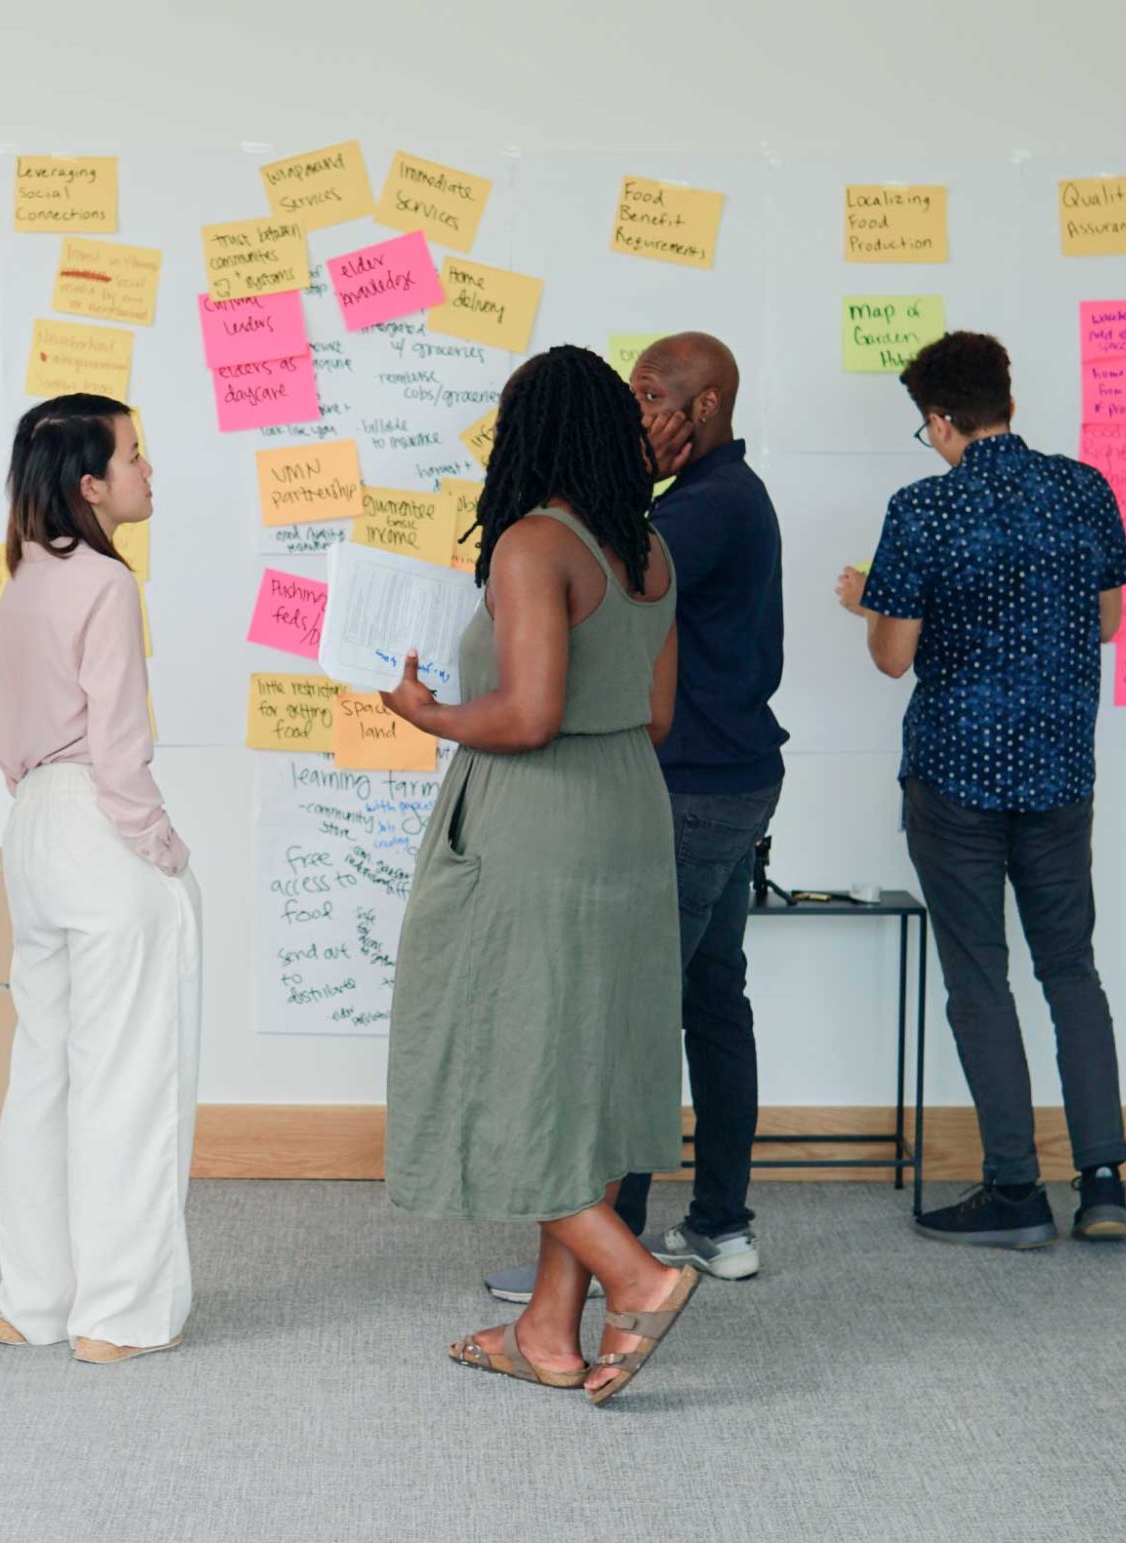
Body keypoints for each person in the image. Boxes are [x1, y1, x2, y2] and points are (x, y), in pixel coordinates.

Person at [382, 343, 701, 1405]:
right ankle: (547, 1332)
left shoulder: (531, 545)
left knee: (502, 1066)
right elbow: (652, 716)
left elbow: (525, 717)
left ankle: (639, 1278)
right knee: (585, 1082)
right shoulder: (646, 550)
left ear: (530, 436)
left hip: (540, 826)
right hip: (625, 815)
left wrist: (430, 716)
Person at [485, 333, 788, 1302]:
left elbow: (605, 579)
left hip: (694, 789)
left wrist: (594, 483)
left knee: (631, 1019)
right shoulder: (714, 501)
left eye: (650, 395)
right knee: (706, 999)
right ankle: (720, 1226)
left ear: (700, 411)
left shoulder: (692, 516)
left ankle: (604, 1254)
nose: (633, 408)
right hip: (729, 781)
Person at [835, 330, 1126, 1249]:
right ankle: (1104, 1181)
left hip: (957, 777)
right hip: (1059, 772)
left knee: (979, 977)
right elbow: (1108, 624)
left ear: (938, 419)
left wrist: (867, 602)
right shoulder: (1084, 489)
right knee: (1071, 969)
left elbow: (893, 659)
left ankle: (1014, 1188)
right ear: (1004, 397)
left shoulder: (925, 506)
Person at [0, 393, 203, 1365]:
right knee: (126, 1080)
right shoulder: (106, 583)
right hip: (97, 829)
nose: (148, 472)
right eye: (134, 456)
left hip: (31, 825)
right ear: (90, 485)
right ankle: (115, 1313)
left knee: (44, 1076)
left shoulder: (22, 577)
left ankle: (29, 1302)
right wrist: (161, 847)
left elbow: (7, 735)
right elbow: (119, 749)